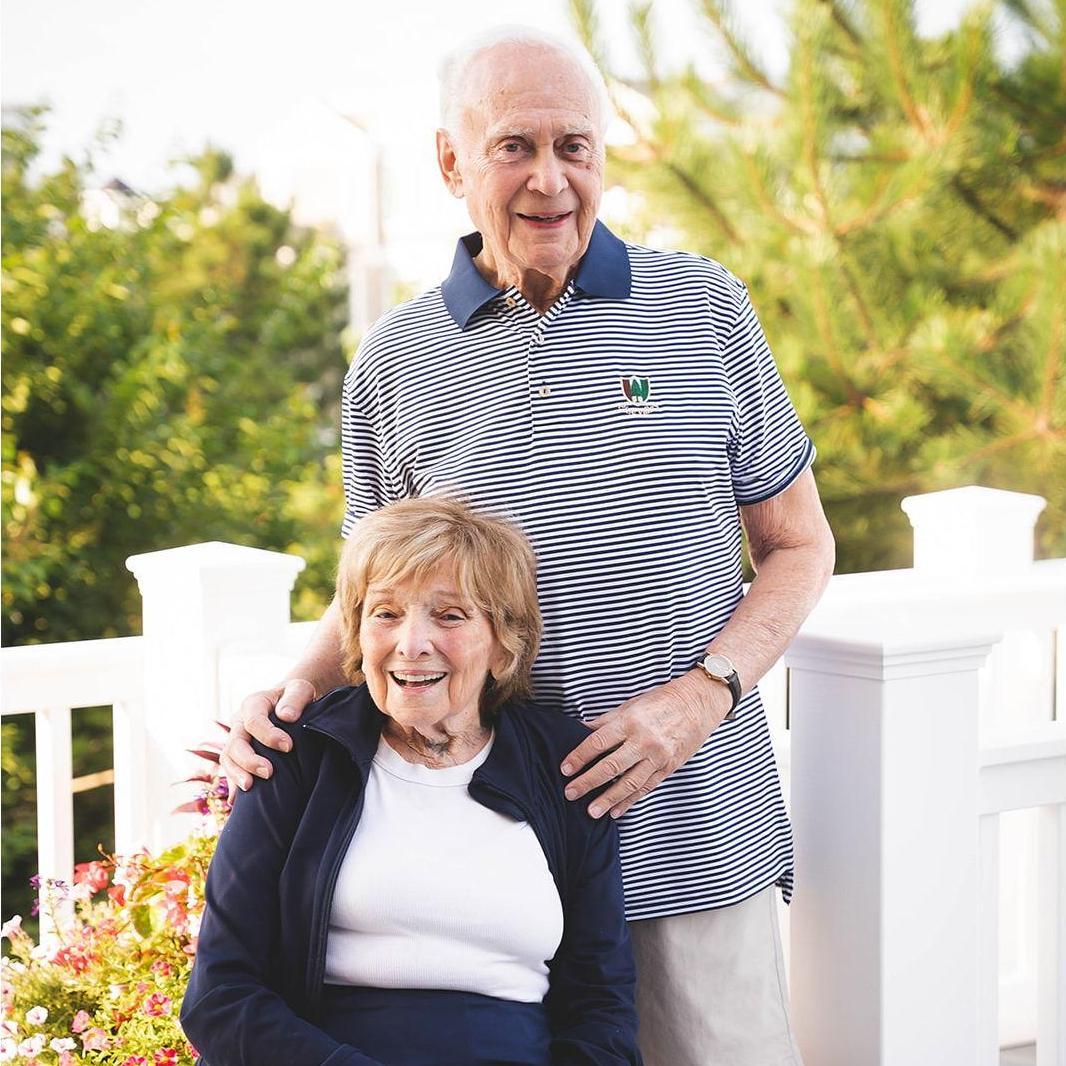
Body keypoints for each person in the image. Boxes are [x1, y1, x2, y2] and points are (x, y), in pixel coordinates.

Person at [222, 25, 835, 1066]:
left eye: (574, 145)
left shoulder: (703, 307)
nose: (550, 179)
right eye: (515, 146)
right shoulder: (394, 361)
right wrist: (282, 698)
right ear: (451, 161)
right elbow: (370, 600)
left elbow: (799, 544)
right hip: (491, 874)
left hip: (693, 839)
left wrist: (699, 696)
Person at [181, 497, 640, 1066]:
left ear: (504, 644)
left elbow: (602, 1007)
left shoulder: (564, 766)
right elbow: (220, 996)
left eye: (449, 616)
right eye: (386, 613)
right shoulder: (295, 757)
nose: (411, 643)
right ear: (357, 633)